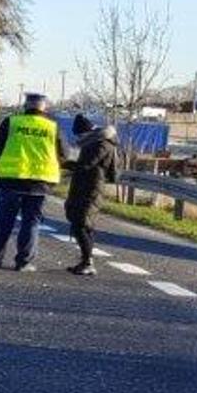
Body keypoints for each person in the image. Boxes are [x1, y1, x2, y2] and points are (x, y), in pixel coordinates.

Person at [0, 92, 66, 272]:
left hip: (12, 180)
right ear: (44, 108)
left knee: (3, 222)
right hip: (40, 183)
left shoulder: (12, 122)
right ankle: (24, 262)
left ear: (25, 106)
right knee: (31, 223)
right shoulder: (52, 127)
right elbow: (64, 154)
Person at [62, 114, 118, 276]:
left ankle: (88, 262)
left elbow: (86, 165)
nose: (79, 138)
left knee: (81, 224)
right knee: (83, 224)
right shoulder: (95, 142)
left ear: (87, 132)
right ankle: (85, 261)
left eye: (80, 135)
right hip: (84, 187)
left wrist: (64, 163)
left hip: (91, 189)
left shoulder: (100, 144)